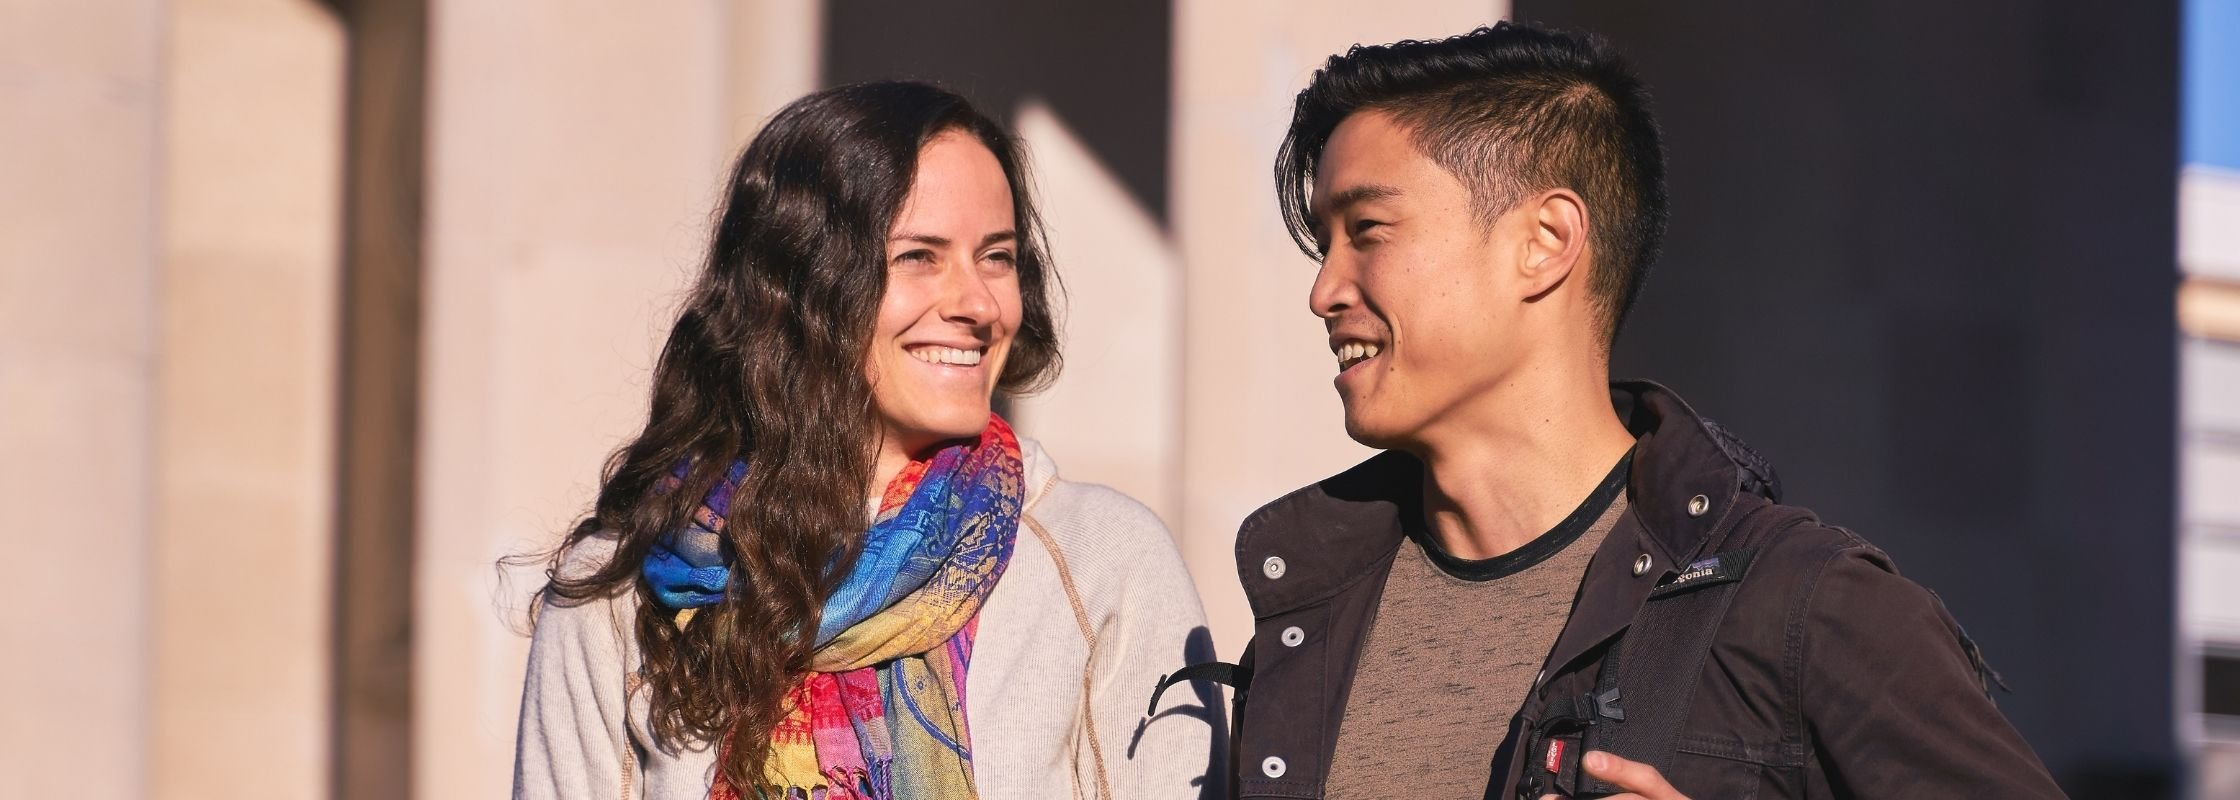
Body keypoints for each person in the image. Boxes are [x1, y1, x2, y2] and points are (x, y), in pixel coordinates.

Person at [1223, 22, 2065, 799]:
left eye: (1366, 229)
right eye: (1324, 244)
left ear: (1545, 243)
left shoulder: (1810, 606)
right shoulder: (1309, 620)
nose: (1324, 291)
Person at [511, 81, 1220, 800]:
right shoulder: (620, 590)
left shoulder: (1105, 563)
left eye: (997, 258)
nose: (977, 303)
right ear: (802, 282)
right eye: (920, 256)